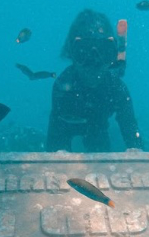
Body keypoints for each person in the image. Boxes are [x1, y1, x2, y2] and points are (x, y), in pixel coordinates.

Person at [46, 9, 143, 152]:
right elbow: (56, 138)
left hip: (98, 125)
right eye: (82, 52)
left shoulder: (116, 88)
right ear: (72, 53)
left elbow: (131, 133)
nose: (93, 63)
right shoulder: (63, 86)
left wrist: (135, 149)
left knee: (98, 140)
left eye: (103, 51)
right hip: (70, 124)